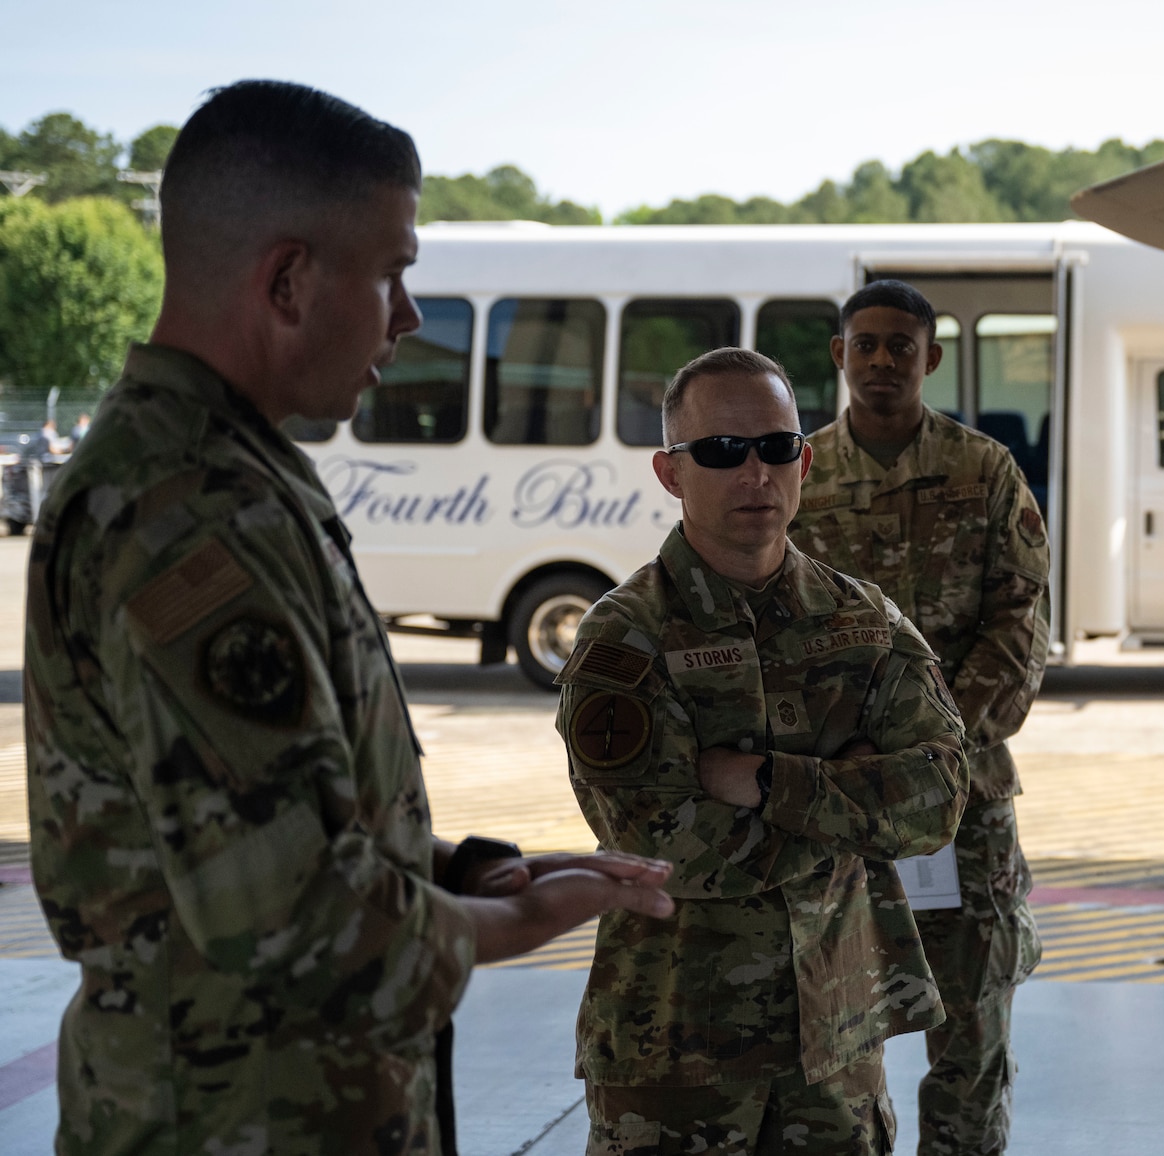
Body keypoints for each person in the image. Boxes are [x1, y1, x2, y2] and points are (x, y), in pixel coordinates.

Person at [22, 80, 676, 1155]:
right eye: (393, 275)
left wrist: (456, 869)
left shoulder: (230, 474)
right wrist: (522, 920)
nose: (409, 317)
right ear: (287, 281)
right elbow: (300, 925)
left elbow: (266, 816)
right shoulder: (188, 515)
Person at [557, 345, 970, 1154]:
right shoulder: (626, 638)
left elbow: (940, 798)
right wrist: (846, 810)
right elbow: (659, 841)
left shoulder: (863, 622)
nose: (755, 474)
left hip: (835, 1048)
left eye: (777, 448)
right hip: (675, 1054)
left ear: (804, 461)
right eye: (721, 451)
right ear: (671, 473)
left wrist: (765, 781)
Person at [790, 279, 1050, 1154]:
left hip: (961, 798)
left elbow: (1020, 625)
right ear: (839, 356)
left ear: (931, 359)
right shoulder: (799, 478)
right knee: (830, 1029)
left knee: (971, 1030)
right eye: (865, 344)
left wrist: (934, 737)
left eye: (901, 345)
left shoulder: (984, 472)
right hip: (837, 803)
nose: (882, 360)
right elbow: (774, 630)